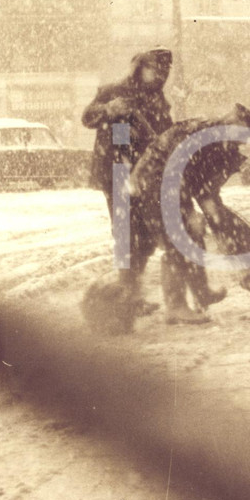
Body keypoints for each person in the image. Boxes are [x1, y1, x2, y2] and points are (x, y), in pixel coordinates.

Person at [129, 103, 250, 324]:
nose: (241, 141)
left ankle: (201, 292)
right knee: (177, 243)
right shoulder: (200, 135)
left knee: (195, 236)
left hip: (165, 184)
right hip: (153, 183)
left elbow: (204, 188)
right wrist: (189, 210)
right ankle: (175, 306)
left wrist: (218, 218)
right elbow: (173, 172)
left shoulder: (218, 144)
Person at [81, 47, 174, 315]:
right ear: (140, 67)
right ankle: (125, 297)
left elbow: (165, 132)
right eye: (154, 69)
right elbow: (88, 117)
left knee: (144, 237)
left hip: (145, 174)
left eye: (163, 72)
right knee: (125, 234)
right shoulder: (113, 90)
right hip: (118, 173)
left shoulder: (157, 99)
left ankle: (132, 294)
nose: (159, 75)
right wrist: (108, 109)